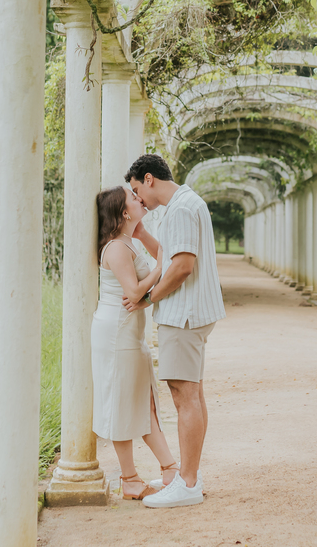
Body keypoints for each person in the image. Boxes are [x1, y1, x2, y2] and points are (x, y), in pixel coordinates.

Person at [123, 154, 226, 509]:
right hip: (192, 311)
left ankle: (188, 483)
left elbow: (182, 267)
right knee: (192, 393)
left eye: (137, 190)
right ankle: (188, 475)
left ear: (148, 179)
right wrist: (143, 235)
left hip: (184, 314)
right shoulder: (182, 204)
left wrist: (147, 298)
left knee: (184, 396)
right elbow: (169, 255)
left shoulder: (181, 209)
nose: (137, 199)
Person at [91, 186, 179, 501]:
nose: (139, 198)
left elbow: (162, 256)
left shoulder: (129, 241)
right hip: (116, 334)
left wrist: (146, 242)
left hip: (130, 333)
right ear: (124, 212)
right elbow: (133, 293)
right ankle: (129, 478)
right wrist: (159, 271)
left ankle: (170, 469)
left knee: (146, 401)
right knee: (122, 403)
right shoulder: (115, 247)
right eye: (132, 198)